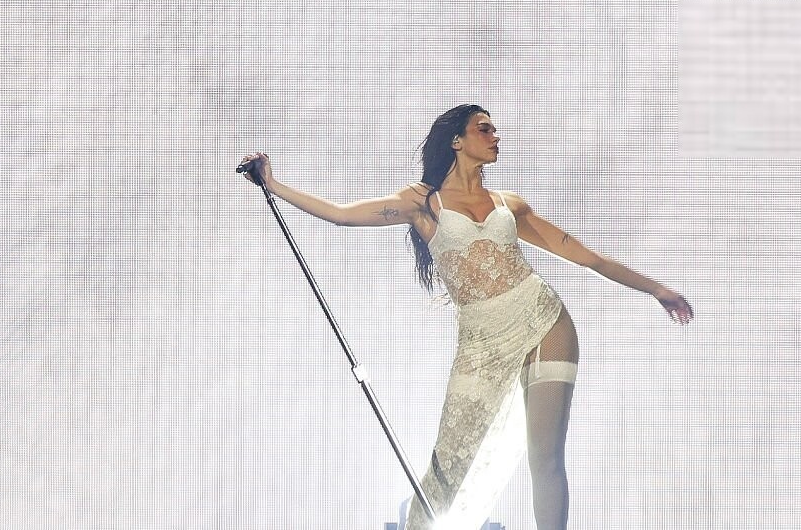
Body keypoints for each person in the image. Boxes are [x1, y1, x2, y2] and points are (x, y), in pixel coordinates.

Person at [239, 104, 693, 530]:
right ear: (457, 140)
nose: (496, 136)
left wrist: (656, 289)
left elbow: (586, 256)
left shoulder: (509, 205)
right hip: (481, 342)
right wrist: (274, 185)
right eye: (484, 129)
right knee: (449, 463)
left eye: (495, 130)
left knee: (546, 457)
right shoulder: (423, 202)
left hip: (545, 321)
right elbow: (341, 215)